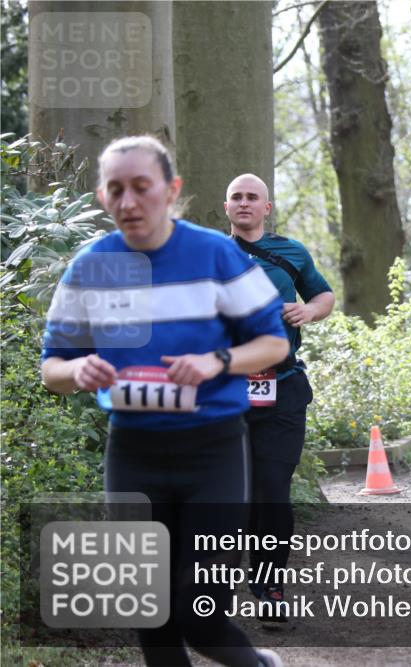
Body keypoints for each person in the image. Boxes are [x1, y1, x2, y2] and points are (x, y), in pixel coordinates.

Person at [41, 136, 287, 667]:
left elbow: (274, 343)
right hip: (133, 454)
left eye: (141, 187)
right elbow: (52, 367)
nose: (128, 202)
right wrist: (77, 369)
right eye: (115, 189)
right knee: (149, 614)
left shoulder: (216, 254)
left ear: (171, 190)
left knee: (199, 614)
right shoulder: (89, 268)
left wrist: (217, 361)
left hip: (213, 453)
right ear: (103, 198)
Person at [224, 173, 334, 620]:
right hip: (225, 393)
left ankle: (270, 587)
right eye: (237, 197)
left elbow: (324, 294)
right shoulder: (209, 255)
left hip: (283, 388)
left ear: (267, 208)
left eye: (253, 197)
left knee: (272, 491)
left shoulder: (291, 252)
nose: (245, 203)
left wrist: (309, 309)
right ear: (226, 207)